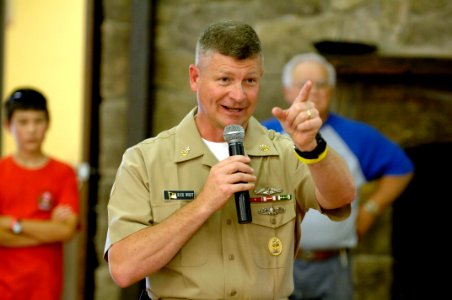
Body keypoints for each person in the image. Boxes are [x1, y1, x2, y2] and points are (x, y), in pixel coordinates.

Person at [104, 20, 356, 299]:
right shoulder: (145, 159)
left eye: (249, 81)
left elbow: (341, 198)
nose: (238, 96)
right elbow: (124, 268)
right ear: (195, 78)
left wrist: (312, 146)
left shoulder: (286, 153)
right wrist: (203, 203)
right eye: (224, 80)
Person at [261, 52, 414, 300]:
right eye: (303, 85)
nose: (313, 92)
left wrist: (371, 209)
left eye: (321, 84)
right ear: (287, 91)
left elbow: (401, 167)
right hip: (273, 264)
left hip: (333, 265)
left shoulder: (357, 135)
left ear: (332, 91)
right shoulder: (262, 134)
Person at [0, 87, 80, 300]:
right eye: (23, 122)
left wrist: (13, 224)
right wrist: (47, 229)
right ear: (8, 125)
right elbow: (55, 231)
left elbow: (65, 231)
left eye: (38, 121)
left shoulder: (64, 173)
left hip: (46, 288)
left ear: (48, 124)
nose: (32, 130)